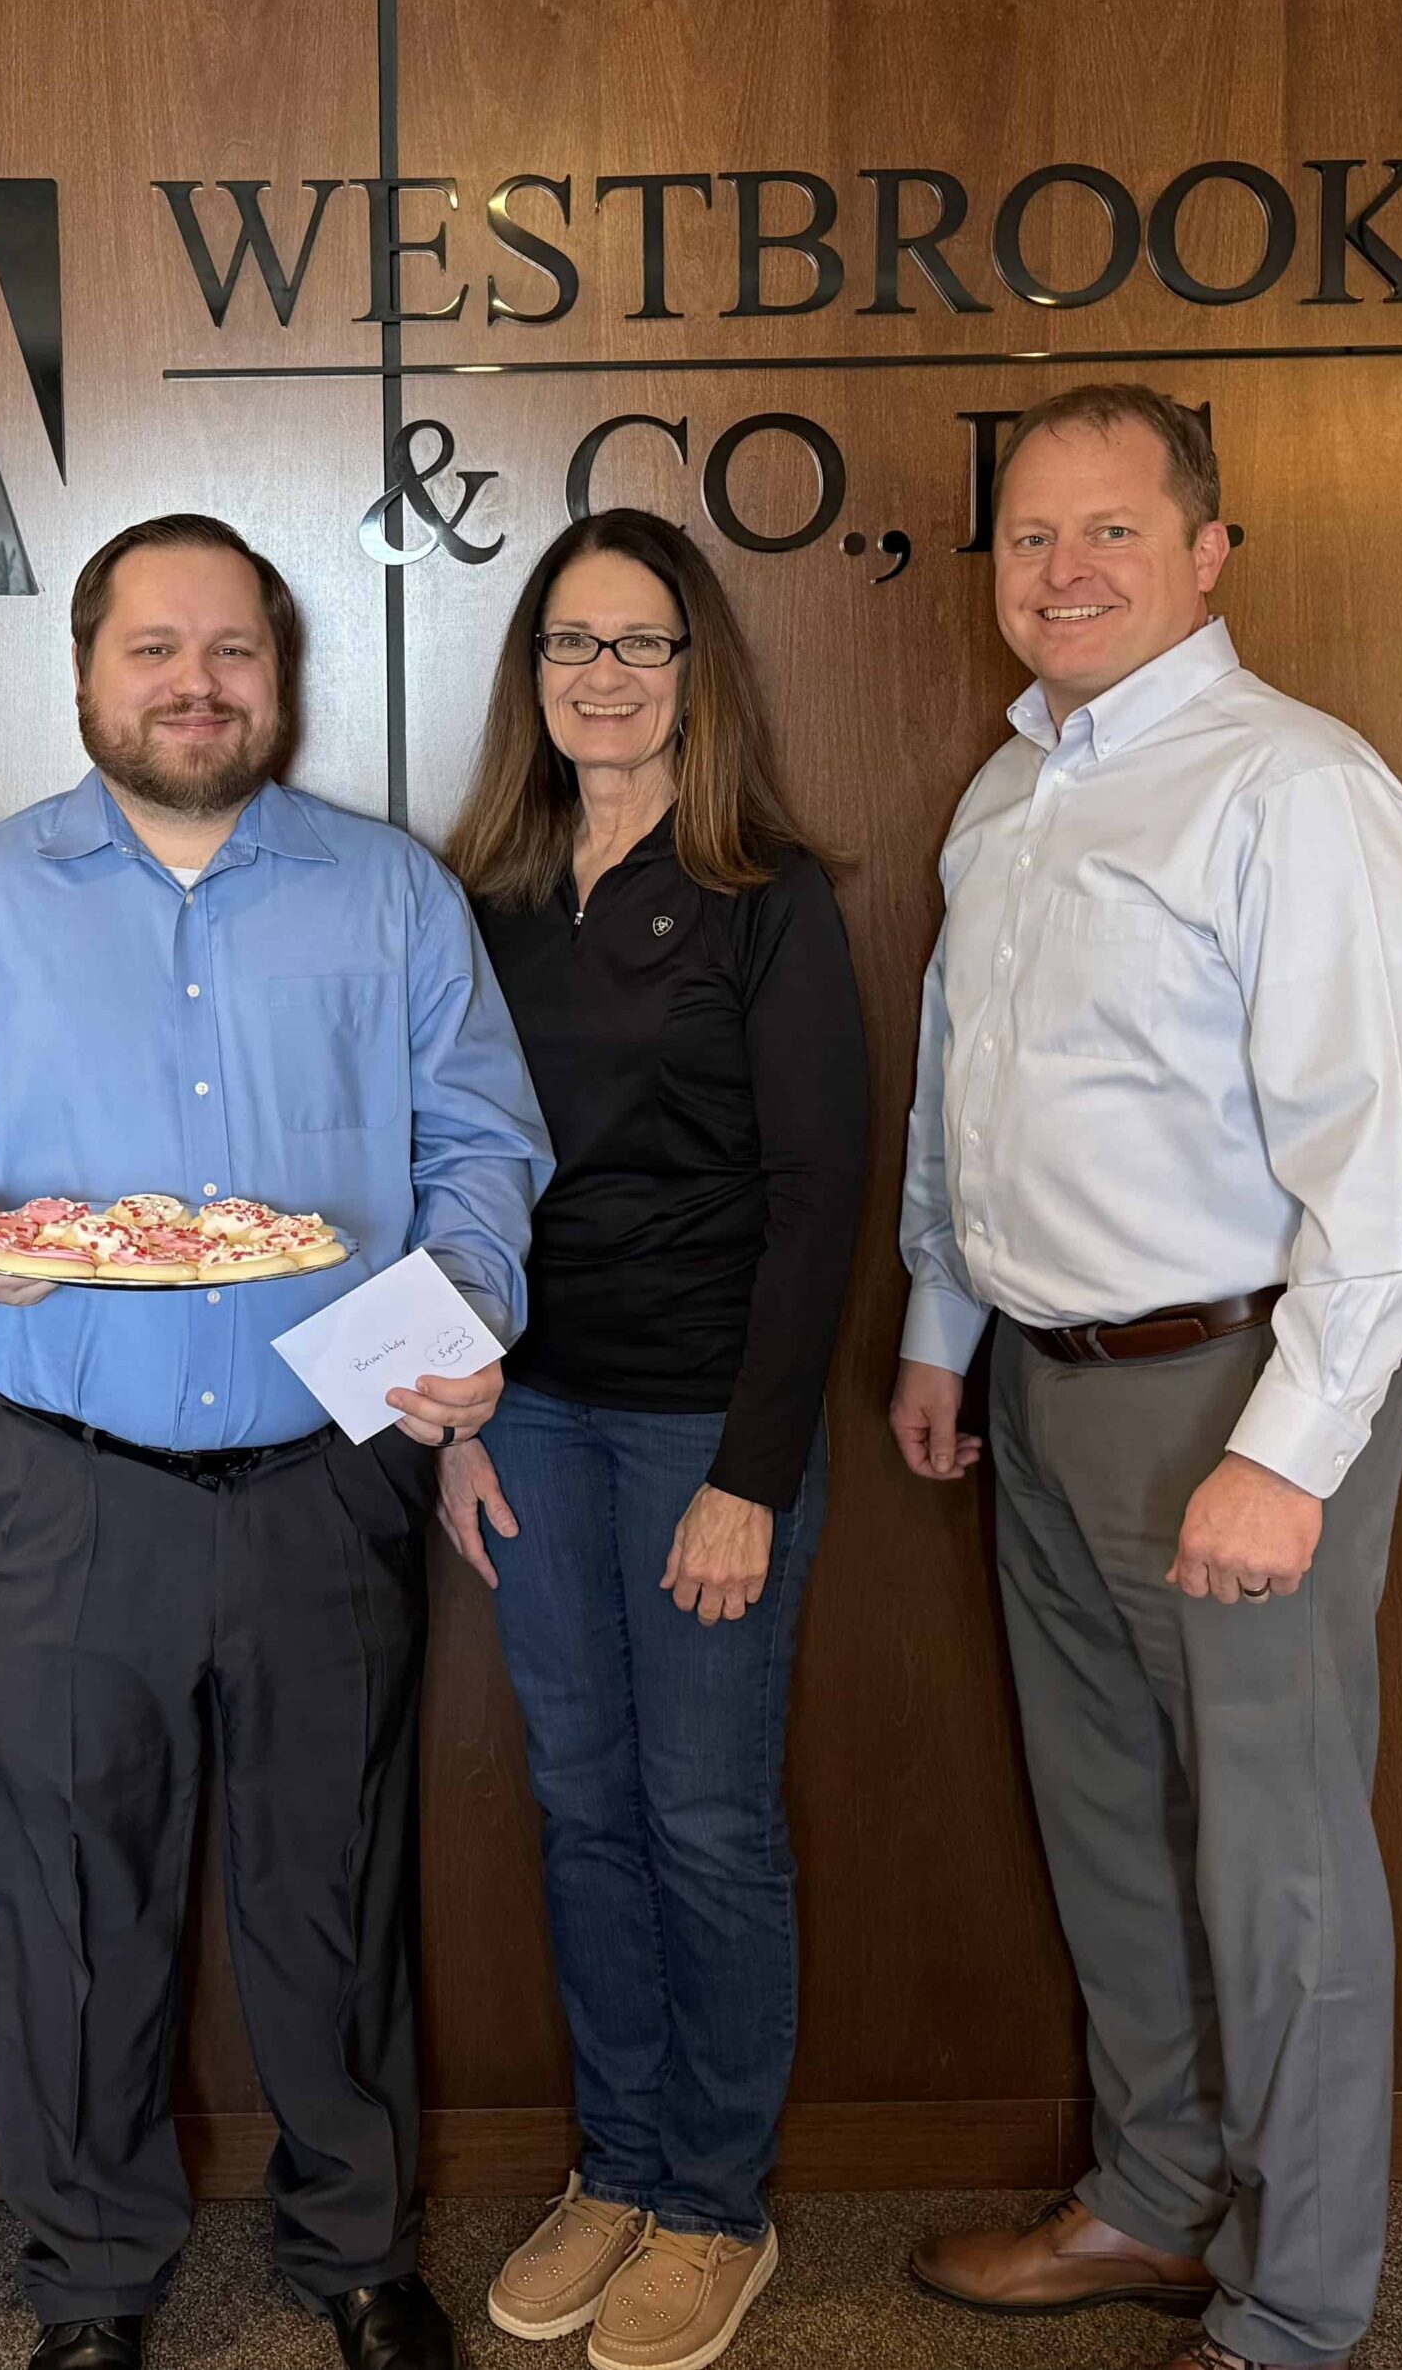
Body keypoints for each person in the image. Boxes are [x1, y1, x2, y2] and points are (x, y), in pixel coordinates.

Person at [0, 513, 550, 2370]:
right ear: (86, 673)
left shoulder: (391, 894)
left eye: (231, 649)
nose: (195, 684)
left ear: (278, 675)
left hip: (331, 1477)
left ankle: (358, 2252)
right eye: (154, 649)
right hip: (69, 1487)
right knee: (75, 1899)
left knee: (335, 1884)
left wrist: (466, 1312)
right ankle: (90, 2284)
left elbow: (482, 1144)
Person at [889, 386, 1402, 2370]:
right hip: (1041, 1395)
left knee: (1277, 1866)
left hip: (1233, 1394)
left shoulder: (1288, 787)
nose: (1061, 571)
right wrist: (940, 1328)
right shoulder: (1008, 795)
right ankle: (1153, 2202)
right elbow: (960, 1097)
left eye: (1111, 531)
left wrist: (1285, 1453)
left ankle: (1293, 2312)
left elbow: (1399, 1174)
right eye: (1029, 536)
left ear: (1207, 555)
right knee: (1111, 1827)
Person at [436, 508, 869, 2370]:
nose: (601, 675)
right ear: (530, 676)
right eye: (570, 642)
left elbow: (821, 1194)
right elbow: (445, 1163)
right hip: (527, 1416)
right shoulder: (484, 896)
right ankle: (614, 2166)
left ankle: (712, 2204)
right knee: (582, 1805)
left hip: (703, 1425)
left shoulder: (768, 894)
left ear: (699, 675)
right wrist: (456, 1421)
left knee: (704, 1821)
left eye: (639, 642)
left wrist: (750, 1478)